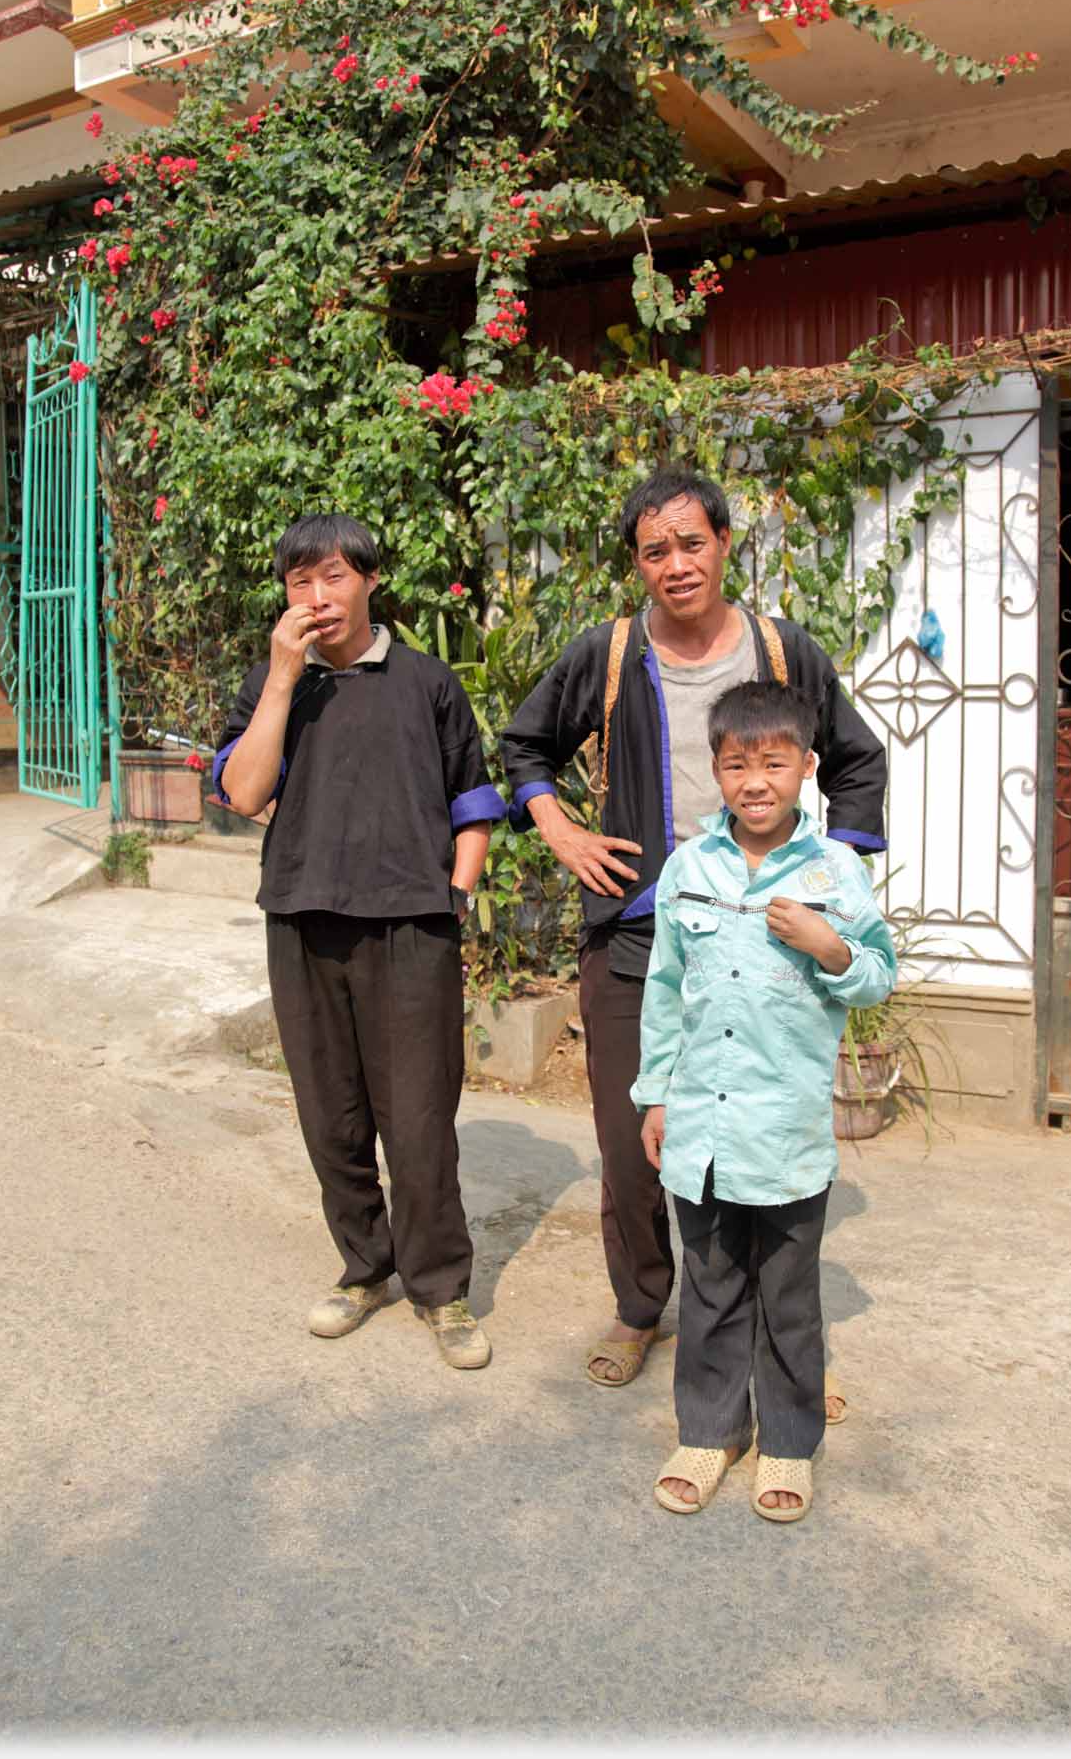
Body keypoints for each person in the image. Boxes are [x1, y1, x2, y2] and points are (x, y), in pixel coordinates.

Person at [499, 469, 887, 1394]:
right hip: (640, 932)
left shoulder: (782, 651)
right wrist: (560, 830)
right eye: (654, 550)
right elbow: (524, 746)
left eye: (692, 542)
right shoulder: (606, 654)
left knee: (763, 1143)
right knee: (636, 1138)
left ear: (724, 542)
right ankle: (641, 1308)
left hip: (771, 948)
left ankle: (771, 1337)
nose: (676, 564)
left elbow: (858, 759)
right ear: (637, 562)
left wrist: (833, 888)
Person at [214, 513, 505, 1368]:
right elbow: (241, 789)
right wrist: (278, 680)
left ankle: (441, 1288)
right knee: (329, 1116)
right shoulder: (281, 685)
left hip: (412, 927)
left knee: (418, 1121)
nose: (317, 597)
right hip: (303, 918)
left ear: (371, 579)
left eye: (333, 576)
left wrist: (453, 896)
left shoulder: (426, 682)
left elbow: (475, 802)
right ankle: (362, 1266)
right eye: (299, 582)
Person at [631, 680, 897, 1521]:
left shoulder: (834, 872)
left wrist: (830, 945)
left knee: (787, 1296)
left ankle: (788, 1441)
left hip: (784, 1133)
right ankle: (710, 1431)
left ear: (807, 768)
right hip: (700, 1127)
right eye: (737, 764)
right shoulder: (690, 868)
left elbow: (879, 973)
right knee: (708, 1287)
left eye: (774, 763)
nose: (755, 781)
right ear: (715, 769)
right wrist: (654, 1097)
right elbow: (665, 991)